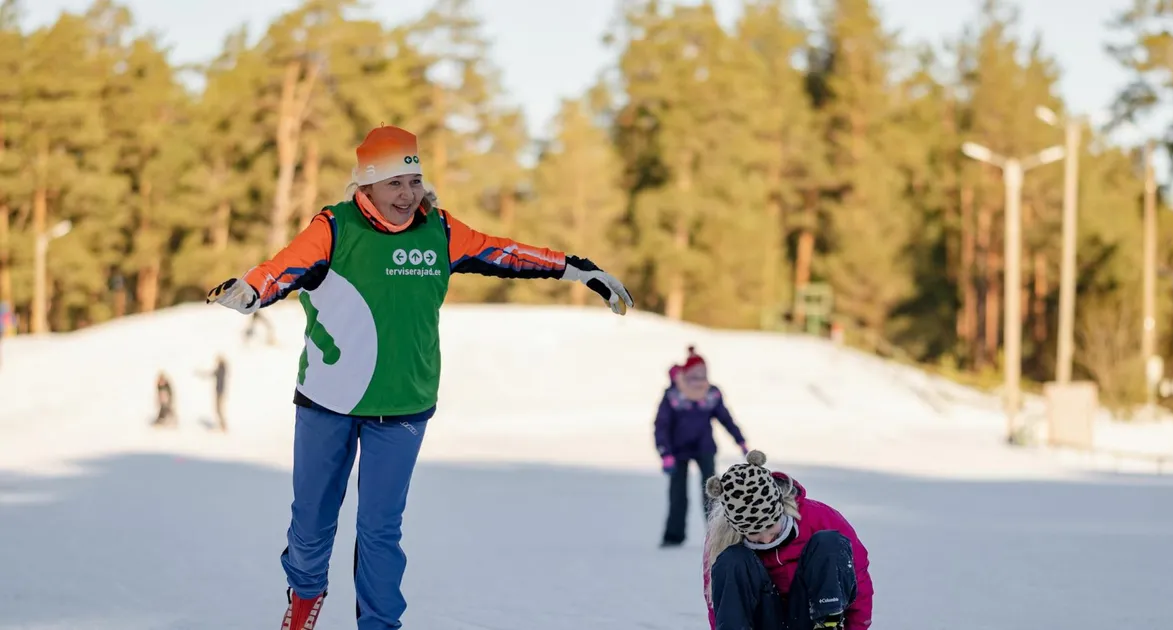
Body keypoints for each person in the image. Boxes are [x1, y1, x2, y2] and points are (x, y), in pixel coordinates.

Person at [206, 125, 633, 630]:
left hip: (403, 406)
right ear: (365, 188)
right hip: (327, 401)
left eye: (414, 181)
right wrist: (252, 291)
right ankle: (304, 599)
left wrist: (577, 269)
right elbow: (283, 267)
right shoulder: (334, 228)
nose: (408, 195)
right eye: (395, 184)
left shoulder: (442, 231)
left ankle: (381, 625)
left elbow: (507, 253)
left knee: (380, 532)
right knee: (311, 525)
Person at [702, 450, 874, 630]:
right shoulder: (722, 540)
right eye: (754, 534)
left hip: (809, 617)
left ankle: (829, 624)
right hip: (764, 621)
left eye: (770, 527)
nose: (766, 538)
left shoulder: (819, 517)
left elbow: (858, 578)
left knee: (828, 542)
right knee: (732, 560)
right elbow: (719, 604)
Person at [655, 345, 748, 548]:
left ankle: (719, 535)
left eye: (703, 375)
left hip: (704, 447)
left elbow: (726, 418)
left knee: (711, 493)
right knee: (678, 494)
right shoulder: (674, 395)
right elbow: (661, 425)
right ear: (686, 374)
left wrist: (740, 440)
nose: (699, 380)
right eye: (695, 375)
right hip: (677, 451)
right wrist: (665, 453)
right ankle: (674, 535)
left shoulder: (711, 394)